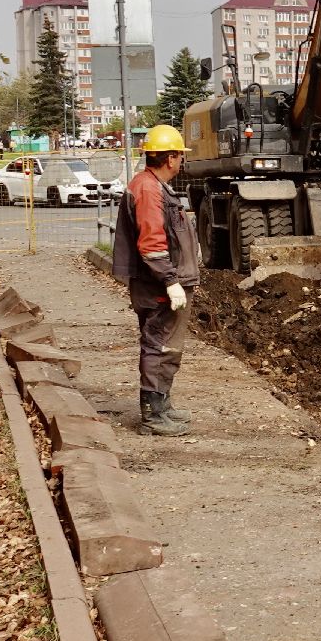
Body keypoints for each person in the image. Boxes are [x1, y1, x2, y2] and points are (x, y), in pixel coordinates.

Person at [112, 124, 200, 437]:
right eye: (179, 155)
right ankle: (152, 414)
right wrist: (170, 281)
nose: (181, 161)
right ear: (170, 158)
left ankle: (162, 405)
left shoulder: (150, 185)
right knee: (158, 345)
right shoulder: (149, 191)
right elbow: (152, 244)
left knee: (167, 346)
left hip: (159, 282)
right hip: (158, 286)